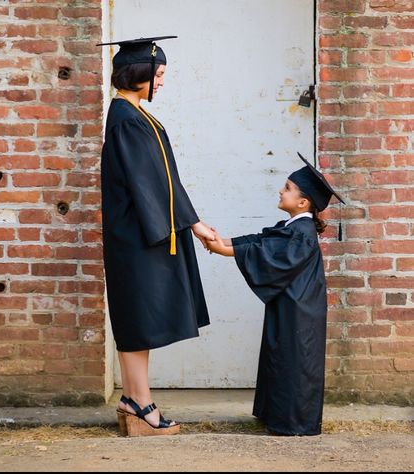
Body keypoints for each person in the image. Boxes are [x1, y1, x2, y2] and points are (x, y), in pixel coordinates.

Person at [97, 36, 215, 437]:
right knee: (137, 319)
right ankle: (141, 404)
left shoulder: (132, 113)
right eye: (159, 74)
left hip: (138, 229)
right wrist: (194, 224)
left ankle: (133, 398)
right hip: (138, 233)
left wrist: (189, 221)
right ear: (140, 73)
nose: (162, 82)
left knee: (138, 318)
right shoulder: (127, 117)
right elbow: (153, 181)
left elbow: (161, 179)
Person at [205, 153, 344, 436]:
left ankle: (295, 423)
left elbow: (270, 256)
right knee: (280, 356)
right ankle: (276, 416)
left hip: (301, 311)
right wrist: (223, 242)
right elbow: (261, 240)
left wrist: (224, 251)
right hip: (290, 305)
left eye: (288, 187)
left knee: (295, 361)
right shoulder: (292, 227)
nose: (281, 191)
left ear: (303, 202)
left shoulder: (302, 232)